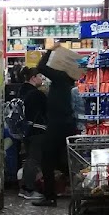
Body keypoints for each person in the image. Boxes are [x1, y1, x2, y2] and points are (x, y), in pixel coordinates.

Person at [33, 49, 77, 207]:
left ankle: (50, 197)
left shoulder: (60, 77)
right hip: (67, 124)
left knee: (47, 160)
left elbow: (41, 67)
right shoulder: (69, 79)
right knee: (63, 160)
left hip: (56, 124)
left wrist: (51, 50)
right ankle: (77, 188)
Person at [18, 68, 48, 199]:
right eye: (40, 76)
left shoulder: (21, 91)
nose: (42, 79)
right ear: (33, 78)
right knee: (33, 159)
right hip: (36, 130)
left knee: (30, 158)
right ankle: (28, 189)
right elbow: (45, 111)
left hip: (26, 130)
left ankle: (25, 188)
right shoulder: (36, 94)